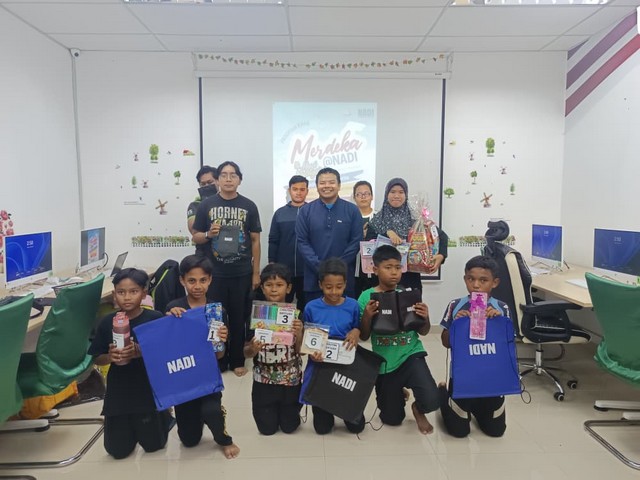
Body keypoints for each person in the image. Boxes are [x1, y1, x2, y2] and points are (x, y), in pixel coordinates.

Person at [89, 268, 174, 460]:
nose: (127, 297)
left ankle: (163, 414)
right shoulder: (107, 322)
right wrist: (110, 357)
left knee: (154, 446)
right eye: (121, 292)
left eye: (133, 291)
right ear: (114, 295)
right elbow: (97, 357)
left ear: (144, 293)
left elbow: (166, 354)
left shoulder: (155, 319)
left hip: (147, 390)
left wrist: (141, 351)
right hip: (119, 392)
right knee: (117, 451)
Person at [358, 245, 439, 434]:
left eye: (397, 267)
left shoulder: (408, 295)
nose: (394, 272)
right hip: (385, 363)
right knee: (392, 419)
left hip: (411, 354)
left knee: (432, 400)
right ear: (375, 269)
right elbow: (364, 336)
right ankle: (398, 391)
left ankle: (418, 409)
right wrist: (367, 316)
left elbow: (424, 331)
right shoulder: (365, 297)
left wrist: (425, 316)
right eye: (388, 267)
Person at [165, 255, 240, 458]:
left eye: (203, 280)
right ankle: (195, 418)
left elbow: (219, 355)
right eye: (191, 280)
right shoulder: (174, 308)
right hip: (183, 377)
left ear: (210, 280)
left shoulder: (217, 311)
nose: (197, 286)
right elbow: (167, 348)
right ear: (182, 280)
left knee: (211, 411)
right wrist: (168, 322)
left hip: (207, 375)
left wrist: (221, 340)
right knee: (189, 440)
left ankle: (223, 438)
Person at [192, 161, 262, 377]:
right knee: (215, 318)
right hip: (214, 274)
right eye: (224, 175)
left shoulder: (249, 206)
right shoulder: (206, 205)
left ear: (240, 179)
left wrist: (256, 272)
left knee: (239, 317)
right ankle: (219, 359)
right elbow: (195, 236)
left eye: (233, 175)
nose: (228, 179)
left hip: (241, 272)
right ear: (218, 180)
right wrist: (208, 234)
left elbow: (255, 240)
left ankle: (238, 359)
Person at [439, 255, 511, 438]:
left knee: (496, 431)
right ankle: (442, 393)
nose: (476, 285)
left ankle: (479, 408)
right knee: (459, 432)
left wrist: (498, 323)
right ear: (465, 279)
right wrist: (457, 326)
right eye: (471, 279)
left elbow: (508, 347)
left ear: (495, 283)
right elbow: (445, 342)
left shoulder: (502, 308)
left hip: (491, 377)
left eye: (483, 280)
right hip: (463, 376)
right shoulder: (455, 305)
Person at [300, 258, 363, 434]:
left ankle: (345, 408)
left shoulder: (353, 305)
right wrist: (312, 353)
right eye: (328, 287)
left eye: (339, 287)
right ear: (320, 285)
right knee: (322, 428)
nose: (334, 292)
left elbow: (358, 327)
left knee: (357, 427)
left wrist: (356, 331)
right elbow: (308, 338)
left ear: (345, 284)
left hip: (346, 367)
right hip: (320, 367)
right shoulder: (311, 307)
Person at [244, 263, 304, 435]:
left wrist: (299, 333)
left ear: (288, 288)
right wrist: (253, 349)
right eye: (269, 285)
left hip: (290, 379)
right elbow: (246, 352)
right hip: (263, 380)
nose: (274, 289)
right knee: (266, 430)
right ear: (262, 288)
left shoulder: (297, 315)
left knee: (289, 427)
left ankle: (289, 413)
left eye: (279, 285)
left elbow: (301, 351)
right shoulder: (256, 316)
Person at [368, 177, 449, 291]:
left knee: (411, 303)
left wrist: (441, 256)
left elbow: (442, 236)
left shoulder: (416, 219)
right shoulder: (377, 220)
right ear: (386, 194)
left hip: (410, 279)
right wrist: (387, 233)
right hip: (382, 281)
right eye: (392, 192)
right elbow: (368, 245)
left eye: (401, 192)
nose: (396, 195)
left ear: (406, 195)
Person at [296, 168, 362, 301]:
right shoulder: (305, 211)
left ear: (339, 185)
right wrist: (320, 267)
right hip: (314, 280)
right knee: (314, 314)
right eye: (322, 183)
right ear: (317, 186)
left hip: (344, 281)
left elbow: (356, 241)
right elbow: (302, 242)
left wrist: (338, 268)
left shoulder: (352, 210)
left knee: (345, 314)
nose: (327, 186)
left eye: (331, 182)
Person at [268, 175, 309, 312]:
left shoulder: (313, 211)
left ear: (307, 191)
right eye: (295, 189)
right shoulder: (280, 213)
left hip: (307, 270)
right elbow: (273, 239)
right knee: (282, 306)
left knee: (305, 305)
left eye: (302, 189)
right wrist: (272, 262)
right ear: (289, 191)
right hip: (284, 270)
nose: (298, 192)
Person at [352, 180, 377, 299]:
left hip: (375, 269)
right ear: (354, 197)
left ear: (372, 196)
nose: (363, 197)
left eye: (366, 194)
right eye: (359, 194)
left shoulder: (379, 217)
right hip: (353, 268)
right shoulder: (350, 217)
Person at [187, 165, 218, 257]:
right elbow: (193, 230)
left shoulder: (228, 202)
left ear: (218, 181)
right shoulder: (195, 205)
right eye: (203, 184)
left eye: (210, 182)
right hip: (204, 255)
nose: (207, 186)